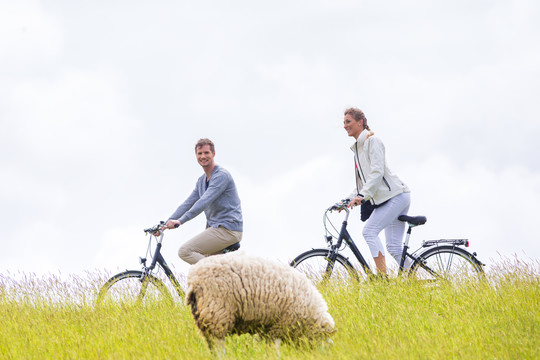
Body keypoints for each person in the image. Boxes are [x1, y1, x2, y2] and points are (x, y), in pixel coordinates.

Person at [342, 108, 411, 275]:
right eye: (344, 123)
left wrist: (362, 197)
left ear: (360, 122)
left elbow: (377, 172)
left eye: (348, 121)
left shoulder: (373, 141)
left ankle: (382, 278)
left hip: (396, 195)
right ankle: (413, 280)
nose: (345, 126)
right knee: (394, 247)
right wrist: (346, 200)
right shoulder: (358, 149)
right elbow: (362, 184)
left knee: (369, 231)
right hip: (390, 198)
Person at [162, 138, 243, 264]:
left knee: (185, 251)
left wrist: (180, 221)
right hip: (216, 229)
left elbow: (203, 202)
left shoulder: (221, 176)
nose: (203, 156)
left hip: (228, 229)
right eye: (199, 154)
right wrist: (164, 224)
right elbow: (188, 203)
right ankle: (219, 278)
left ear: (213, 154)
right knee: (201, 261)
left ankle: (212, 272)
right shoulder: (201, 181)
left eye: (206, 153)